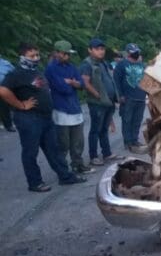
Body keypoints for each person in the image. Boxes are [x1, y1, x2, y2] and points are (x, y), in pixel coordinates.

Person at [0, 43, 86, 192]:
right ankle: (35, 182)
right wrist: (20, 105)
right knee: (30, 151)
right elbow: (3, 90)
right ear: (22, 57)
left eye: (37, 55)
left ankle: (65, 176)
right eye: (31, 56)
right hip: (29, 118)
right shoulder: (16, 74)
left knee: (54, 149)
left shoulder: (37, 71)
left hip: (46, 117)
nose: (36, 58)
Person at [44, 40, 94, 174]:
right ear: (58, 53)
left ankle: (78, 164)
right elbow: (62, 88)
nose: (68, 56)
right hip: (61, 109)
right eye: (65, 54)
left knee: (78, 141)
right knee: (63, 143)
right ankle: (63, 169)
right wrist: (73, 83)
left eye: (68, 54)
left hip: (75, 108)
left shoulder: (71, 66)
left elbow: (82, 84)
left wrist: (71, 82)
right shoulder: (51, 69)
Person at [81, 38, 123, 166]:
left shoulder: (103, 63)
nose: (100, 51)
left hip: (108, 101)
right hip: (97, 103)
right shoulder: (87, 64)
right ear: (90, 50)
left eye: (102, 49)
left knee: (104, 129)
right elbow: (85, 82)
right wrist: (97, 95)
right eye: (97, 49)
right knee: (95, 130)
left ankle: (107, 153)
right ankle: (93, 156)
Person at [114, 43, 148, 154]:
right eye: (134, 51)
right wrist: (120, 95)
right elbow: (116, 81)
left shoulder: (142, 65)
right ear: (128, 53)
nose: (136, 53)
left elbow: (147, 81)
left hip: (141, 97)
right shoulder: (121, 65)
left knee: (137, 120)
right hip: (128, 97)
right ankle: (127, 142)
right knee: (127, 120)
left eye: (137, 51)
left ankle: (134, 140)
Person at [0, 56, 16, 132]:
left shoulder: (5, 63)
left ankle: (8, 125)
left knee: (4, 107)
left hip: (3, 88)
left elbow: (14, 73)